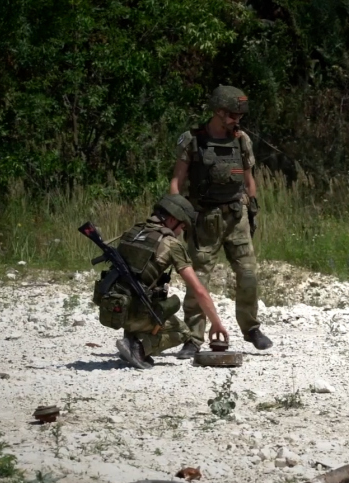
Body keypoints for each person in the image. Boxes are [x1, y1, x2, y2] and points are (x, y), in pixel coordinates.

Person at [169, 85, 272, 359]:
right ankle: (193, 338)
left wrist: (251, 210)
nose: (237, 120)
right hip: (204, 219)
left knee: (248, 274)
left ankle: (251, 328)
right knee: (198, 279)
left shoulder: (242, 141)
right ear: (218, 111)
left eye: (239, 115)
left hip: (236, 217)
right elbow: (176, 182)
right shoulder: (192, 140)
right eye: (232, 114)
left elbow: (249, 181)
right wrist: (178, 218)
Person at [93, 194, 230, 369]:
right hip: (134, 312)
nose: (181, 232)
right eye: (182, 226)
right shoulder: (170, 244)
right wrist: (217, 324)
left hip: (113, 307)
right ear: (172, 219)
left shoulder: (132, 232)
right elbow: (199, 290)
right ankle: (139, 348)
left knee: (155, 299)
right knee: (181, 331)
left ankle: (132, 337)